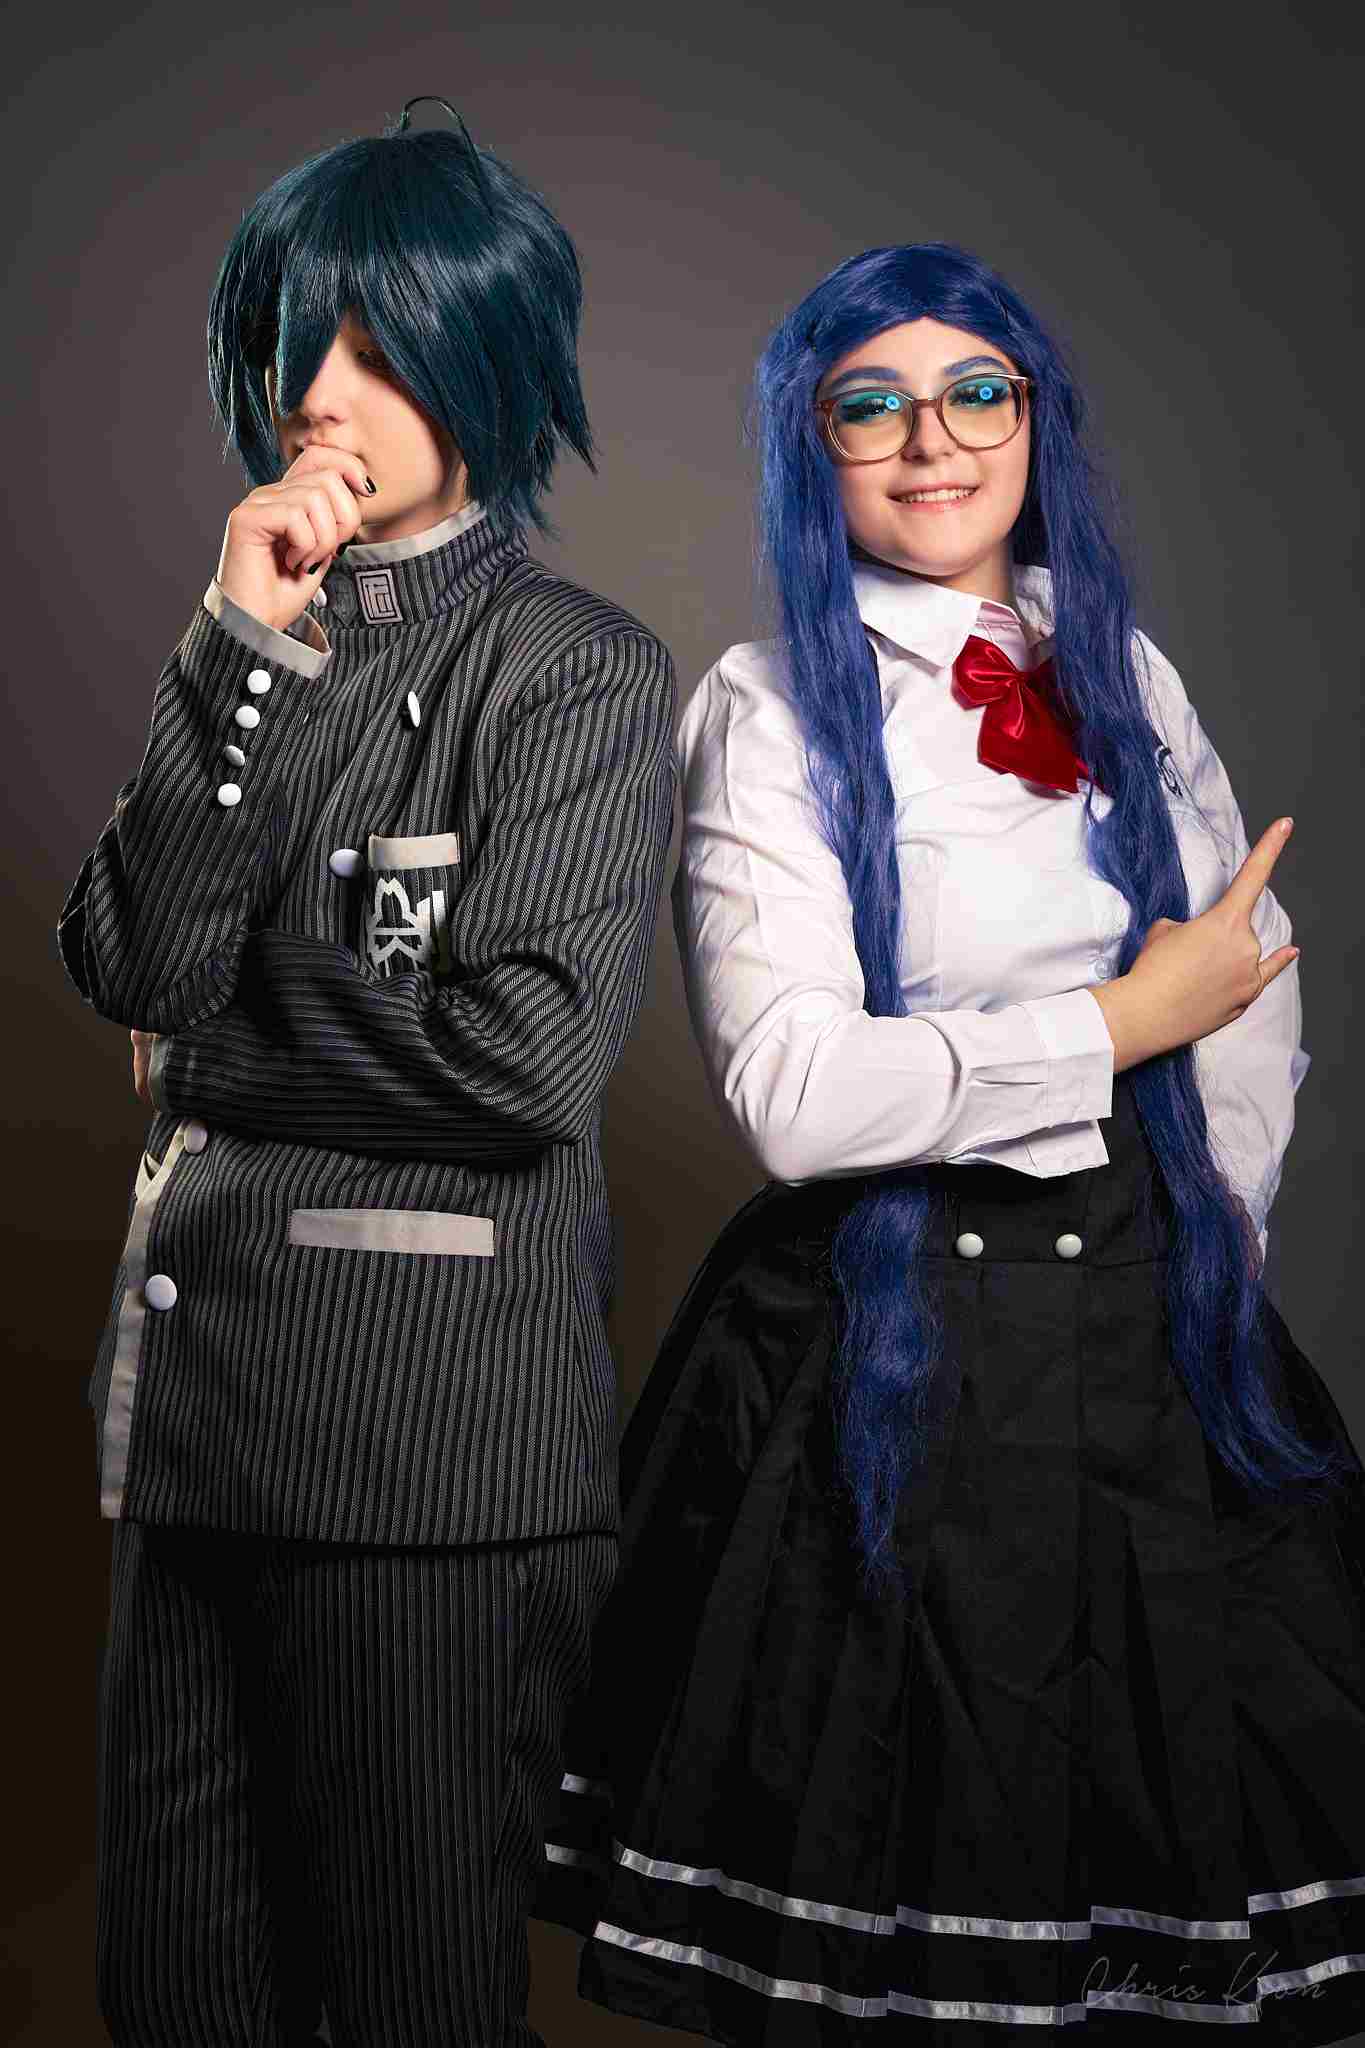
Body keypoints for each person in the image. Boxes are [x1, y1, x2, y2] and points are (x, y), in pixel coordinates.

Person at [530, 242, 1365, 2047]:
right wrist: (1115, 1027)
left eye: (976, 390)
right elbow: (796, 1096)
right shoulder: (765, 704)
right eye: (871, 404)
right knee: (900, 1919)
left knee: (1172, 1888)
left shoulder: (1124, 669)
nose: (933, 441)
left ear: (1034, 419)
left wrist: (1207, 1238)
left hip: (1150, 1333)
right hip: (880, 1354)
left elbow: (1248, 990)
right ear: (809, 444)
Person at [57, 97, 676, 2047]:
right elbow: (123, 956)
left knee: (412, 1999)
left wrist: (208, 1046)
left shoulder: (570, 670)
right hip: (191, 1444)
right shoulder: (251, 633)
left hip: (427, 1472)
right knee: (175, 1995)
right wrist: (235, 633)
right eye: (293, 340)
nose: (320, 394)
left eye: (381, 346)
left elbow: (521, 1058)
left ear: (487, 361)